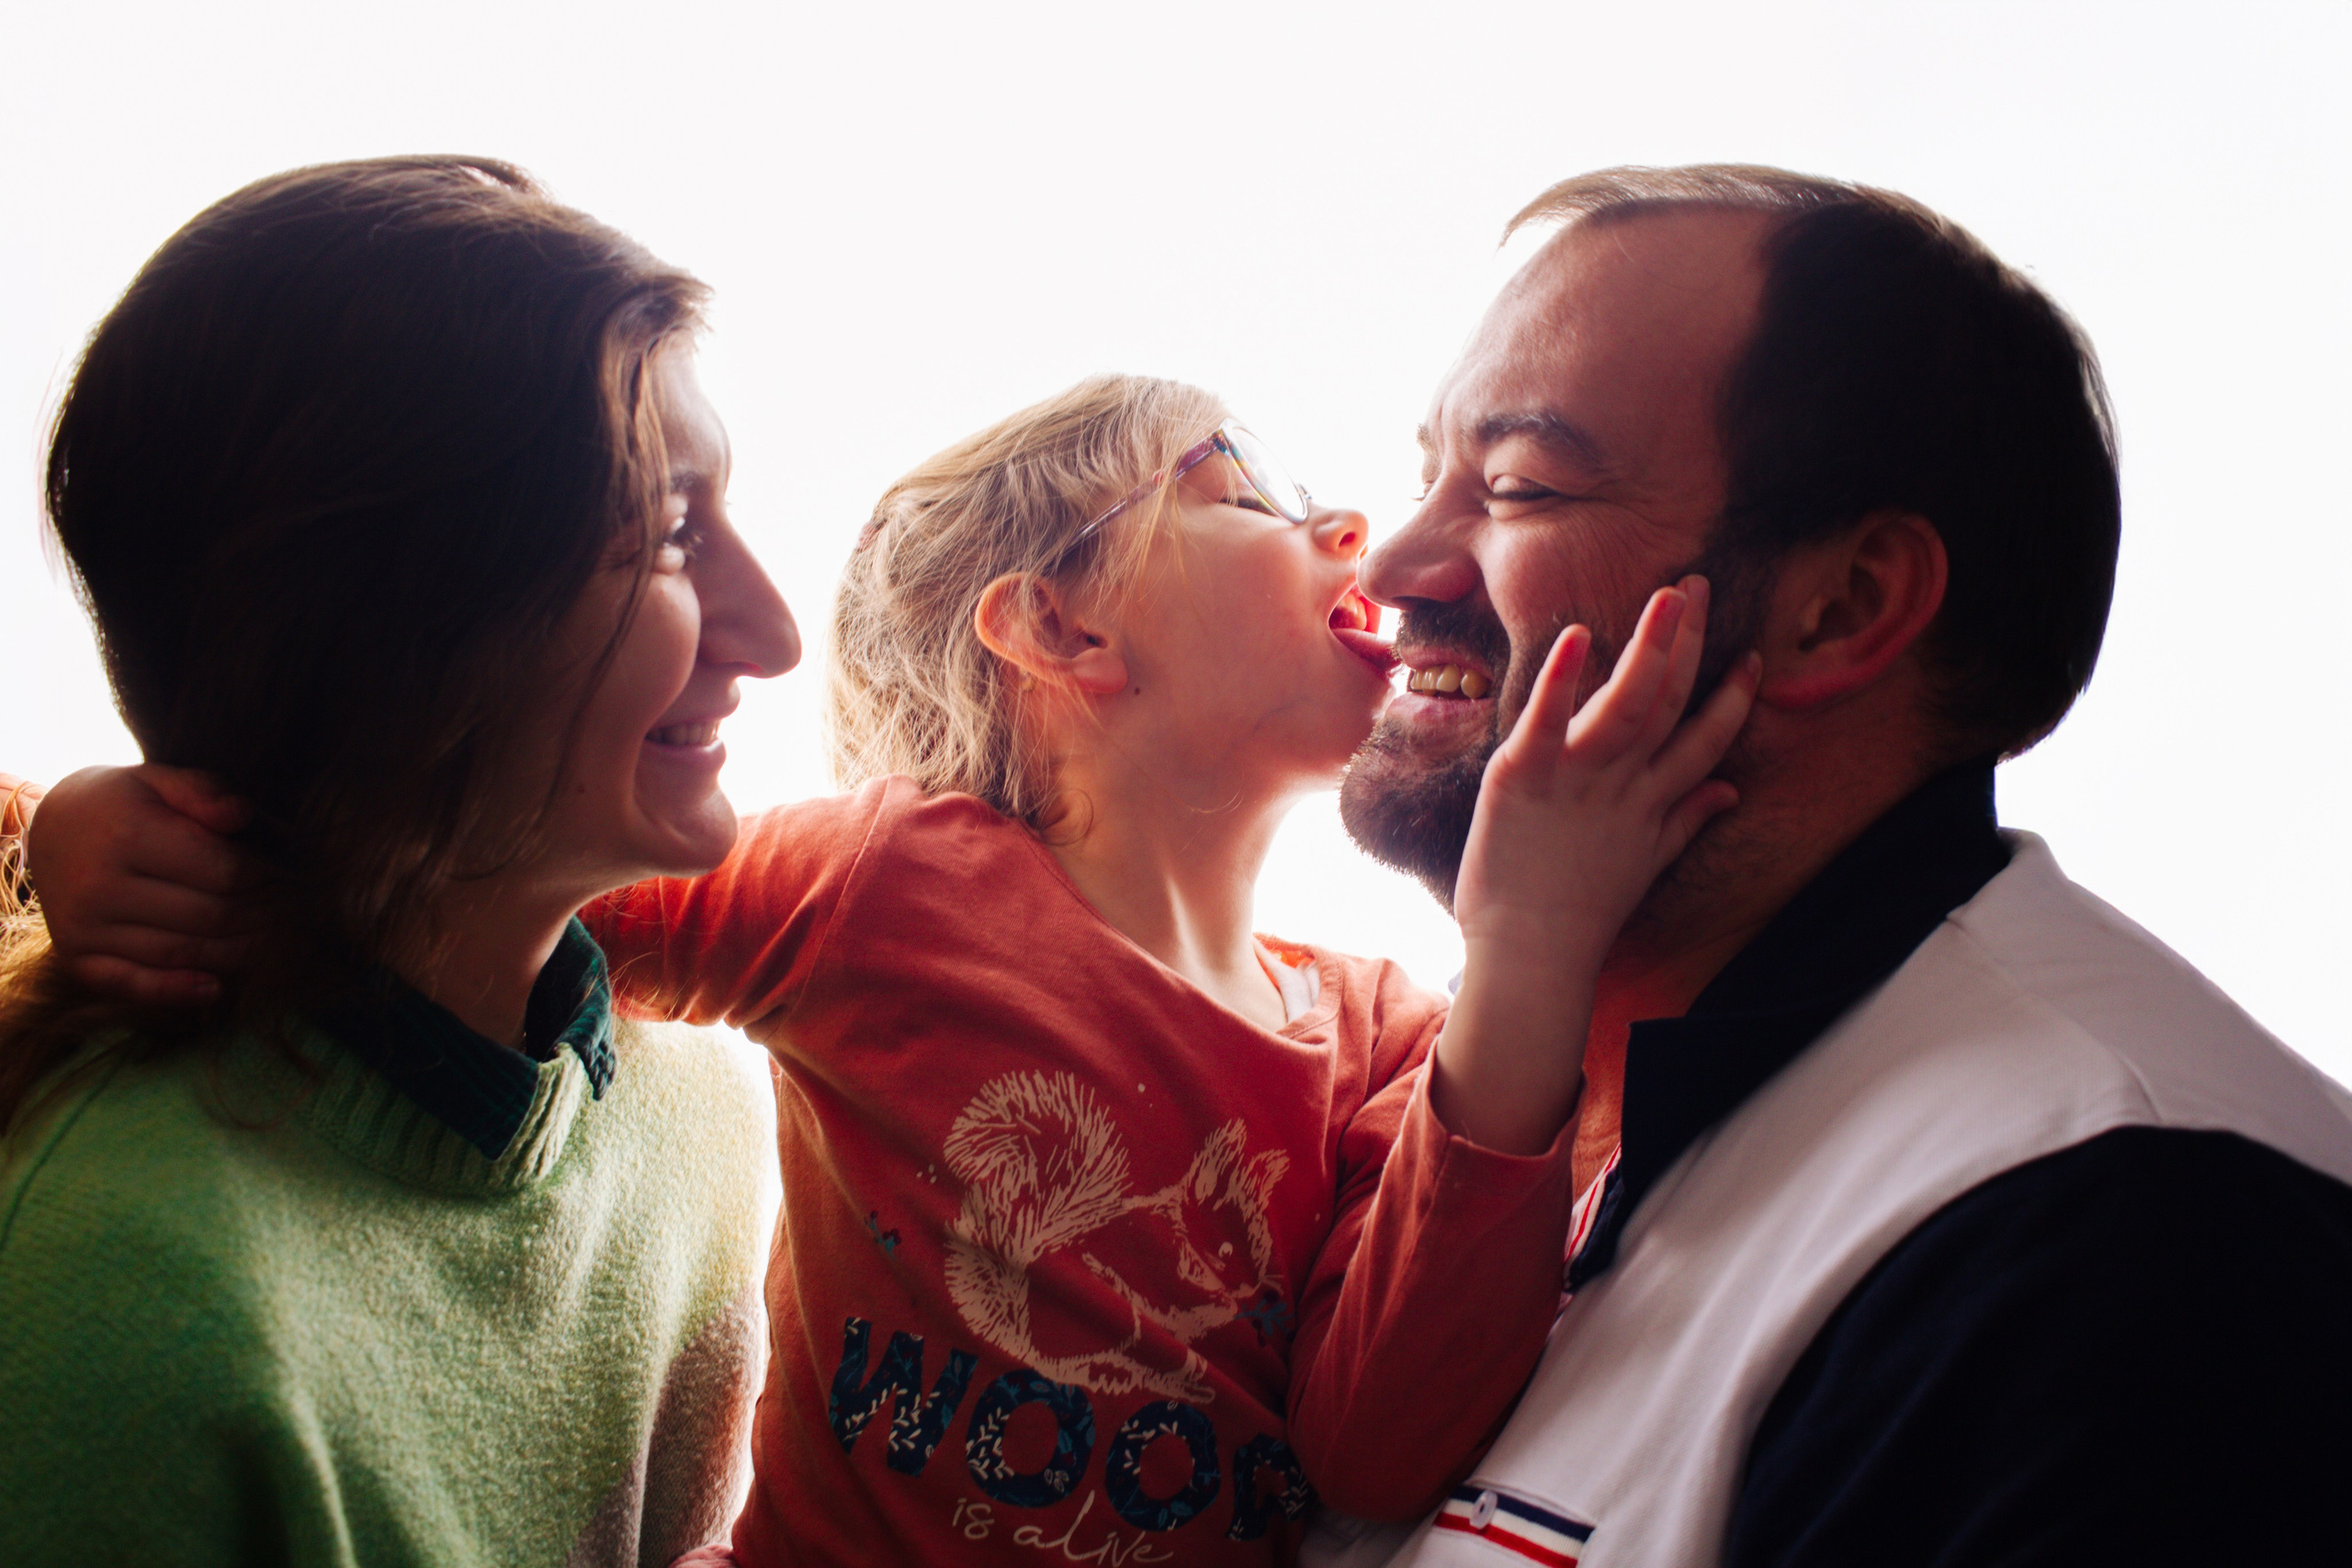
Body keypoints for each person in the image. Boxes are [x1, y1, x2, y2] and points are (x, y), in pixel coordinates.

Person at [18, 373, 1757, 1565]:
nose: (1354, 531)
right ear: (1059, 630)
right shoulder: (884, 881)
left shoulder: (1393, 1031)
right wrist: (85, 825)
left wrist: (1527, 948)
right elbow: (478, 862)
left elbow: (1379, 1445)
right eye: (1244, 494)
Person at [1316, 164, 2352, 1566]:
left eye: (1521, 486)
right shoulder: (1421, 1086)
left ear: (1840, 609)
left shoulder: (2130, 1243)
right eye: (1430, 471)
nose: (1397, 556)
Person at [0, 157, 798, 1563]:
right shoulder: (121, 1298)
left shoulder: (705, 1137)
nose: (776, 632)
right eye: (671, 536)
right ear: (400, 637)